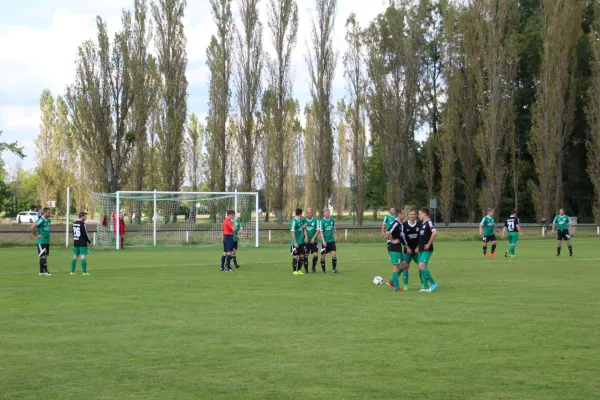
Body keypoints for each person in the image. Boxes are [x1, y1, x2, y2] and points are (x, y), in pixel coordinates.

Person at [385, 207, 407, 293]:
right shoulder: (396, 223)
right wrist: (392, 240)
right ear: (399, 214)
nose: (404, 215)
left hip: (398, 248)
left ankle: (391, 281)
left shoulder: (400, 224)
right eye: (403, 213)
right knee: (396, 266)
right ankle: (396, 288)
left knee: (404, 265)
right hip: (393, 248)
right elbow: (388, 232)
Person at [418, 208, 438, 292]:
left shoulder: (429, 222)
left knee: (421, 266)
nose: (419, 215)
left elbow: (435, 232)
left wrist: (429, 243)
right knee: (423, 267)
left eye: (419, 214)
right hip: (421, 249)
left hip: (427, 249)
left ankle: (433, 283)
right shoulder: (423, 223)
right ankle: (425, 287)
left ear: (424, 214)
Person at [402, 208, 423, 291]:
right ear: (408, 215)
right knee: (405, 267)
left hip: (417, 250)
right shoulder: (404, 225)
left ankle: (422, 285)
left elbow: (421, 238)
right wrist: (407, 248)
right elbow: (402, 238)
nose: (412, 216)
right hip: (407, 250)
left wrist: (418, 247)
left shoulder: (420, 224)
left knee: (421, 267)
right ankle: (406, 286)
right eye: (410, 214)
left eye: (413, 214)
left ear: (416, 215)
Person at [31, 207, 52, 276]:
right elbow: (33, 227)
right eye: (48, 212)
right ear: (44, 213)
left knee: (44, 256)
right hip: (41, 241)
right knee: (43, 256)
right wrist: (36, 235)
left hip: (46, 241)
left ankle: (41, 271)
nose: (50, 213)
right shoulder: (41, 220)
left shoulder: (48, 220)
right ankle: (45, 271)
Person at [319, 207, 339, 273]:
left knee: (334, 254)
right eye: (327, 213)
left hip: (331, 241)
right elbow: (321, 232)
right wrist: (323, 241)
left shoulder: (331, 220)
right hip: (325, 242)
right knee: (323, 256)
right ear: (324, 213)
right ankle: (323, 270)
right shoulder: (321, 221)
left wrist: (335, 236)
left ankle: (334, 269)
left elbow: (334, 229)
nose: (328, 214)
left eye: (329, 213)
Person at [302, 207, 321, 273]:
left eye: (310, 213)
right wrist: (305, 237)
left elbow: (318, 230)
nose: (309, 214)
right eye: (308, 213)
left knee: (315, 254)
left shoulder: (316, 220)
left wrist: (313, 238)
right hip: (306, 241)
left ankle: (313, 268)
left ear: (312, 213)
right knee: (306, 255)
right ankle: (306, 270)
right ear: (306, 214)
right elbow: (301, 228)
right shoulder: (303, 220)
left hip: (314, 241)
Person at [290, 208, 308, 275]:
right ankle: (294, 271)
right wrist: (295, 242)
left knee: (301, 256)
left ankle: (299, 270)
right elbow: (293, 232)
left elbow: (302, 228)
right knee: (295, 256)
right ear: (301, 213)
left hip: (301, 242)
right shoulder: (294, 221)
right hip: (295, 242)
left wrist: (305, 236)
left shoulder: (301, 220)